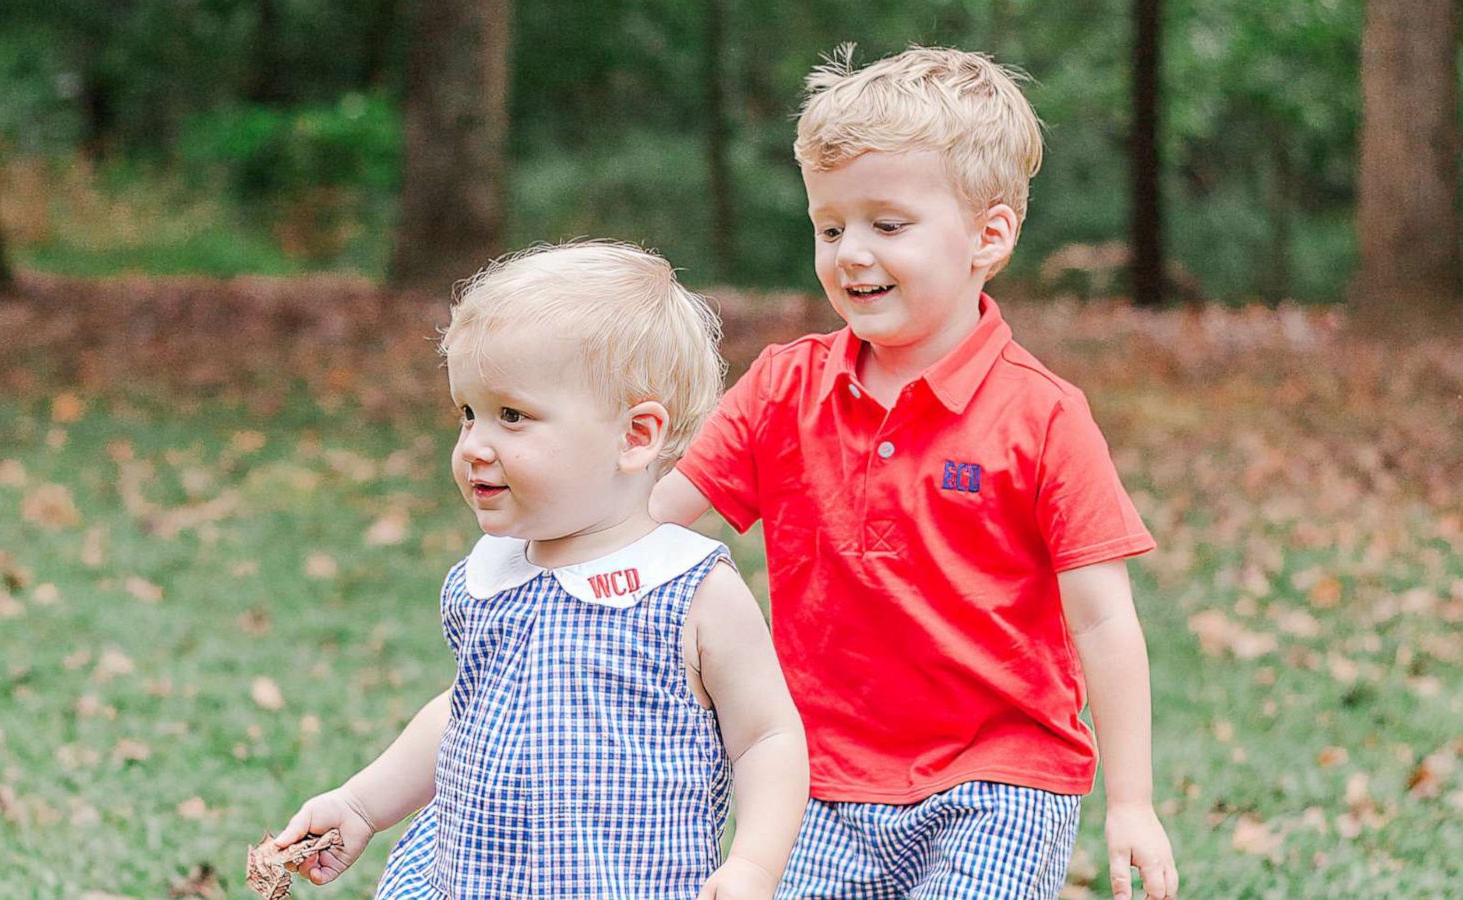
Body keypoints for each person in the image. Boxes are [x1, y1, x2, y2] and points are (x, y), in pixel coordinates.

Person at [651, 46, 1180, 900]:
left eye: (887, 225)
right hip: (818, 776)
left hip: (1002, 777)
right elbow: (653, 521)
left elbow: (1105, 621)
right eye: (829, 226)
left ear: (989, 237)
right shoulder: (785, 386)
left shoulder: (1043, 417)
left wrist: (1134, 803)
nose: (850, 252)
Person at [271, 241, 809, 899]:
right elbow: (464, 712)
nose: (473, 445)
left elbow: (766, 738)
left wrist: (752, 866)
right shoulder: (492, 574)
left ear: (635, 436)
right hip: (470, 880)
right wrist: (361, 804)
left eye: (511, 416)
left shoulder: (690, 591)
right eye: (467, 413)